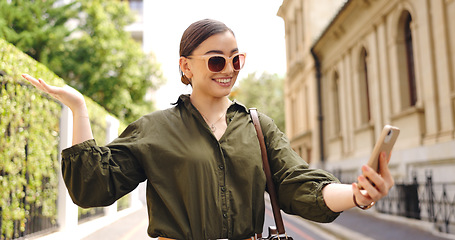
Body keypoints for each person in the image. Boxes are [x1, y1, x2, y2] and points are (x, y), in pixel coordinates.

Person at [21, 19, 394, 240]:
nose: (228, 68)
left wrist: (359, 194)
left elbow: (298, 185)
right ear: (186, 67)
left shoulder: (257, 126)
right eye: (216, 60)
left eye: (236, 59)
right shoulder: (154, 129)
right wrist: (79, 108)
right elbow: (93, 186)